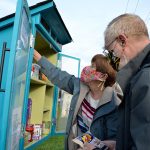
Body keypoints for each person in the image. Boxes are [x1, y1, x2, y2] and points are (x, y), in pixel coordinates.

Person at [34, 50, 122, 150]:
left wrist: (94, 146)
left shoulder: (114, 103)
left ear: (102, 76)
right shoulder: (79, 86)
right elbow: (58, 75)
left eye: (93, 66)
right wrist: (37, 57)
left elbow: (115, 139)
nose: (87, 68)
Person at [104, 13, 150, 150]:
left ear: (122, 41)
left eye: (110, 51)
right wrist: (118, 145)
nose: (110, 59)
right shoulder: (140, 74)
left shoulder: (145, 77)